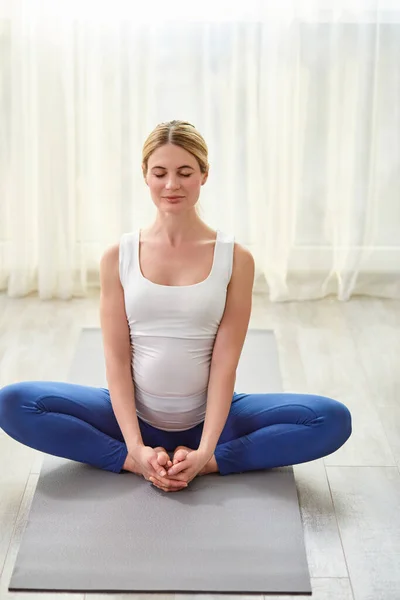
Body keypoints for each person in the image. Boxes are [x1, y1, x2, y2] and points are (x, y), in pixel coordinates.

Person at [0, 120, 352, 493]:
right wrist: (135, 449)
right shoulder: (117, 257)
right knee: (12, 403)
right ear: (145, 176)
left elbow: (224, 364)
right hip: (130, 417)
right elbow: (117, 362)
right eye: (160, 173)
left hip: (212, 419)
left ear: (204, 174)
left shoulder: (235, 259)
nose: (172, 184)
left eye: (185, 172)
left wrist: (205, 452)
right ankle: (132, 462)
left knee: (331, 419)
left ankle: (209, 465)